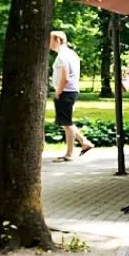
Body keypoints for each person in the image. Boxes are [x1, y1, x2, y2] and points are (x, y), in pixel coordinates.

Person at [49, 31, 94, 161]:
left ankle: (69, 154)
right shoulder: (71, 54)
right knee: (66, 122)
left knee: (67, 123)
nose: (48, 43)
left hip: (66, 91)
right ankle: (84, 142)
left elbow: (66, 76)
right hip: (70, 91)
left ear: (57, 39)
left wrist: (59, 90)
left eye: (50, 39)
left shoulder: (63, 56)